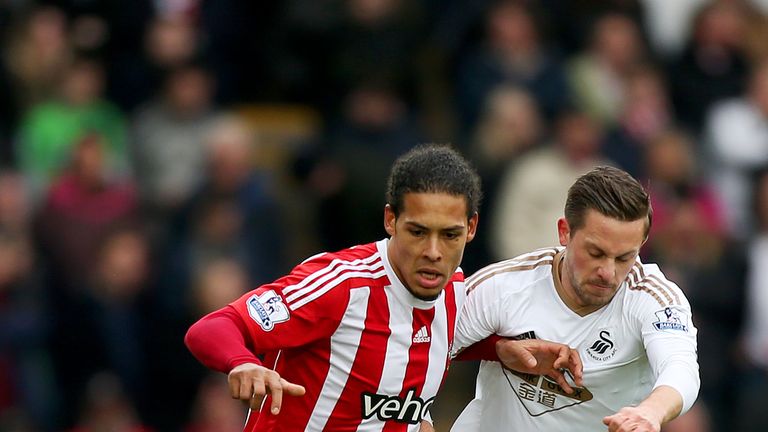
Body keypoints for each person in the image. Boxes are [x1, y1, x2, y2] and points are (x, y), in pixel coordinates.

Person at [184, 144, 581, 431]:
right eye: (417, 231)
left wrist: (498, 349)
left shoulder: (455, 297)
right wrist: (243, 362)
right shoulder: (339, 285)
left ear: (472, 229)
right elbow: (213, 328)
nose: (433, 252)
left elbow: (423, 341)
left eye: (450, 235)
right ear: (391, 220)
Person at [450, 165, 700, 432]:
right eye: (595, 253)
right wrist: (496, 349)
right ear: (564, 232)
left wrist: (650, 412)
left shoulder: (652, 298)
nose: (607, 272)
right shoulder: (503, 286)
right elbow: (426, 344)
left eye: (624, 257)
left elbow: (680, 369)